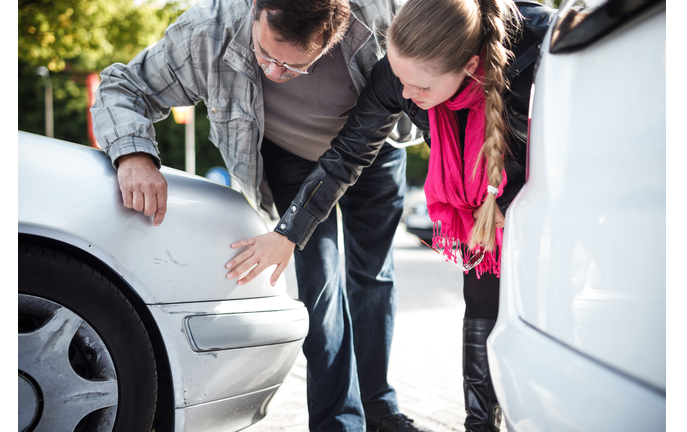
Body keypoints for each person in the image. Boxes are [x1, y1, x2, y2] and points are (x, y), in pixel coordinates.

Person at [91, 0, 433, 431]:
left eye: (295, 67)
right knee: (320, 286)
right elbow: (121, 86)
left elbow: (437, 80)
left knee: (372, 277)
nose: (275, 73)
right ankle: (339, 423)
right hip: (293, 158)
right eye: (267, 54)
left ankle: (379, 408)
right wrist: (134, 155)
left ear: (334, 33)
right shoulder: (208, 30)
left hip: (372, 149)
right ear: (256, 10)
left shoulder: (380, 16)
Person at [227, 0, 555, 430]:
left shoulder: (541, 56)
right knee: (481, 300)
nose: (404, 95)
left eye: (419, 88)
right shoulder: (399, 78)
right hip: (479, 208)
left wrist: (522, 209)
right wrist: (289, 232)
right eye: (399, 78)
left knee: (547, 314)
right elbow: (347, 155)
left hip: (549, 206)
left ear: (471, 66)